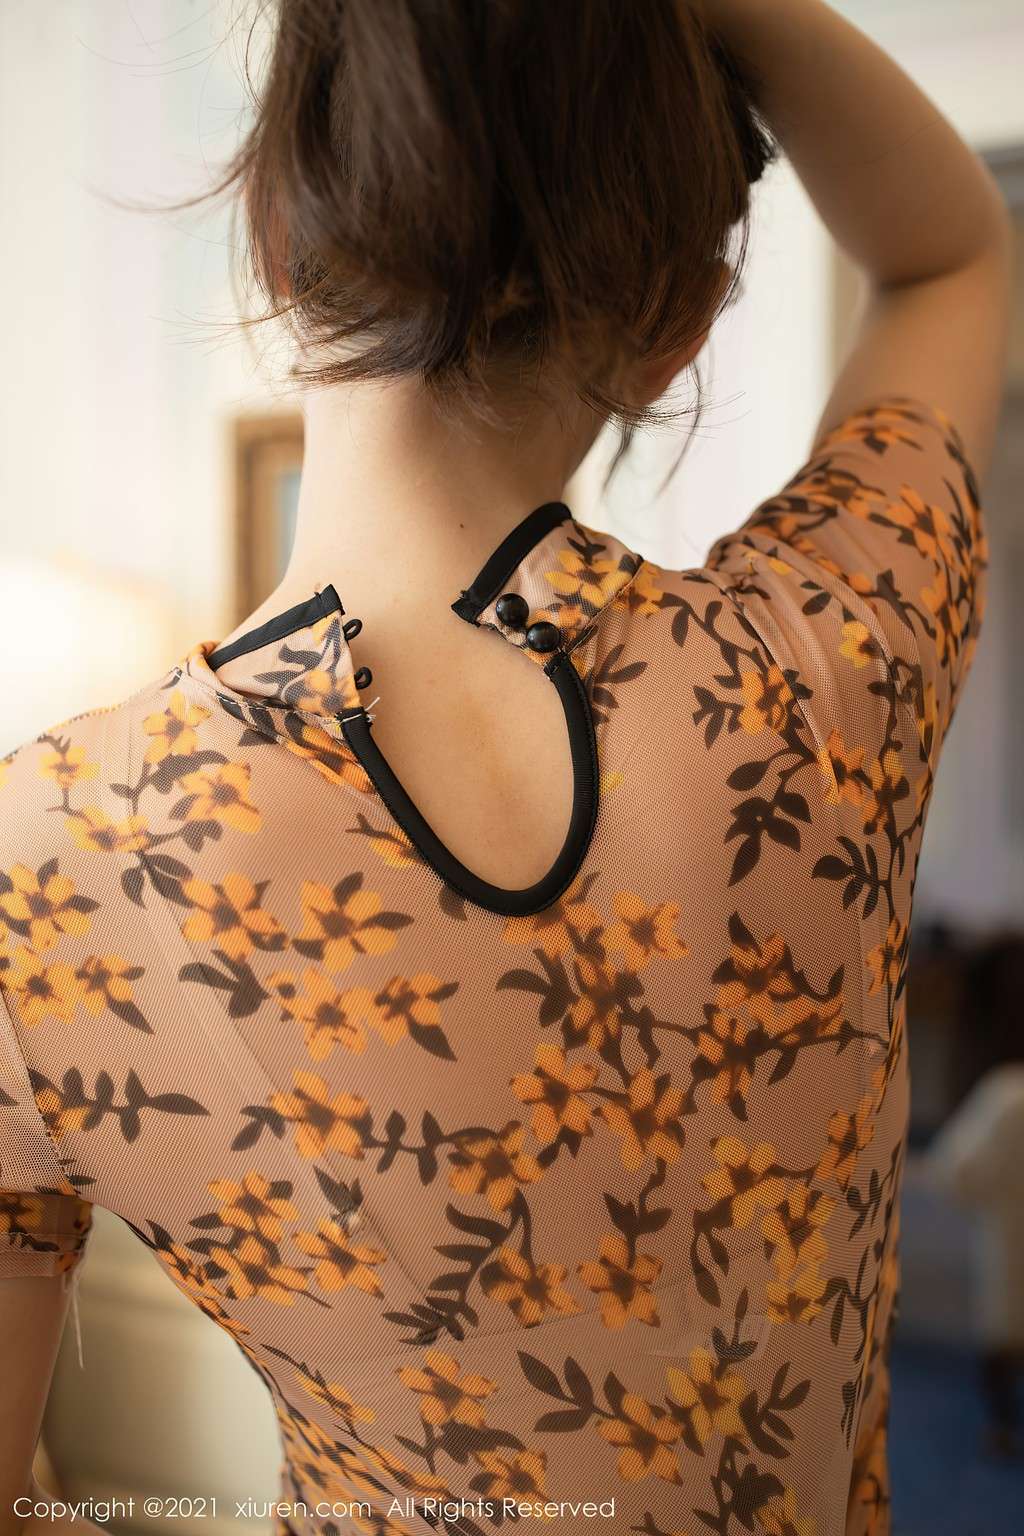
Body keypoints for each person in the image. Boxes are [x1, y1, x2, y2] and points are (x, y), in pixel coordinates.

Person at [0, 3, 1010, 1535]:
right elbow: (950, 252)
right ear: (686, 319)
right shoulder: (831, 664)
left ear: (273, 243)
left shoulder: (47, 876)